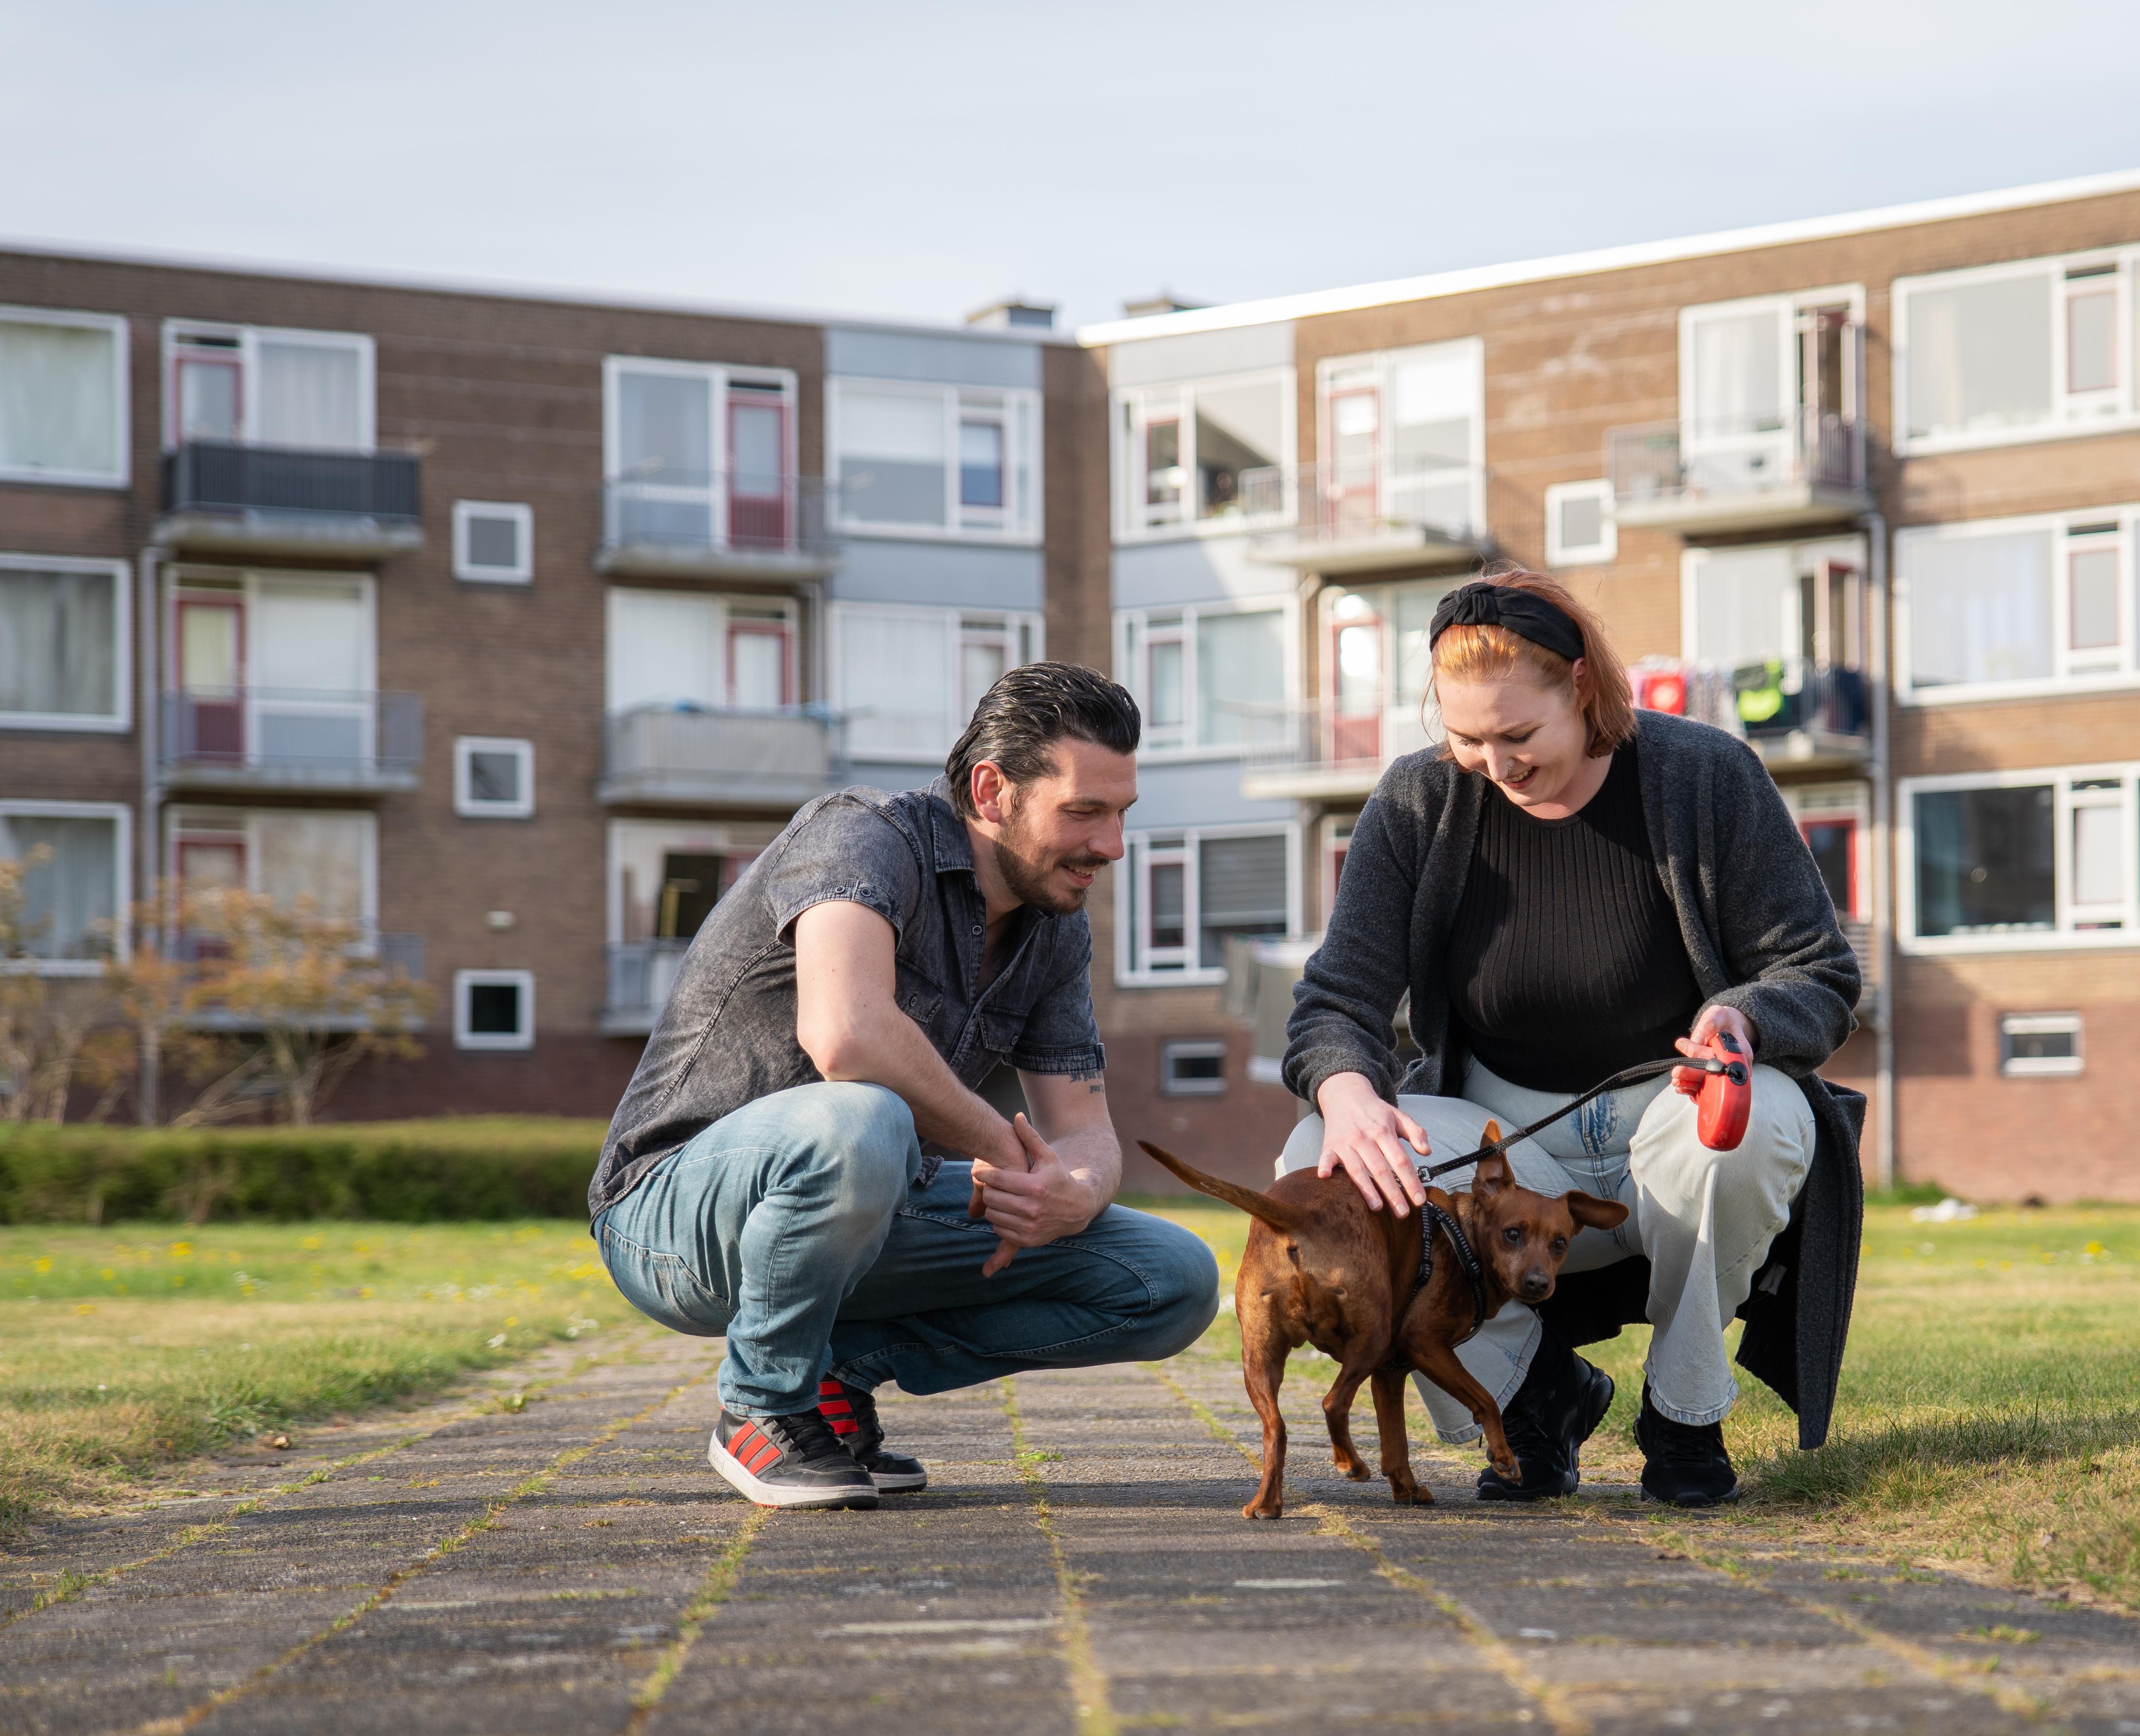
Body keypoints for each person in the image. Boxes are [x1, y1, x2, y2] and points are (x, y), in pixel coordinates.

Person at [1280, 570, 1865, 1507]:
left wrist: (1743, 1017)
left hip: (1675, 1118)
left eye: (1518, 737)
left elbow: (1819, 971)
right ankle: (1532, 1400)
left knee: (1756, 1133)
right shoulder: (1418, 802)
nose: (1495, 765)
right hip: (1500, 1143)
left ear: (1583, 687)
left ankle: (1683, 1416)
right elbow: (1334, 1000)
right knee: (1321, 1165)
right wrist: (1346, 1090)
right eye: (1466, 738)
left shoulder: (1707, 775)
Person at [589, 663, 1218, 1510]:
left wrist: (1067, 1192)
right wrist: (1004, 1148)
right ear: (993, 790)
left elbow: (1085, 1129)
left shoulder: (1055, 926)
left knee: (1172, 1278)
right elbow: (845, 1033)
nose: (1109, 846)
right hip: (671, 1215)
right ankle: (764, 1405)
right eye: (1083, 812)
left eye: (1120, 815)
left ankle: (836, 1369)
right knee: (863, 1118)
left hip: (874, 1206)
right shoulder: (861, 836)